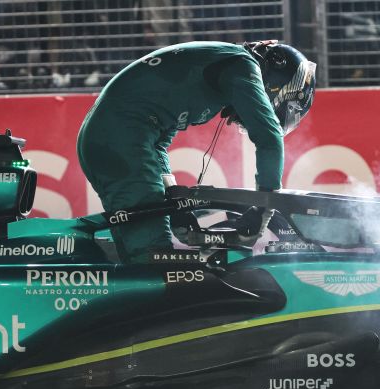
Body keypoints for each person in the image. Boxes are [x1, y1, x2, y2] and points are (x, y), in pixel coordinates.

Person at [77, 40, 316, 263]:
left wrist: (173, 199)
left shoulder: (221, 61)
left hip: (110, 136)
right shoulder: (242, 65)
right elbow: (269, 137)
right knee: (152, 260)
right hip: (120, 137)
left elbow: (158, 143)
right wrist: (264, 213)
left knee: (139, 251)